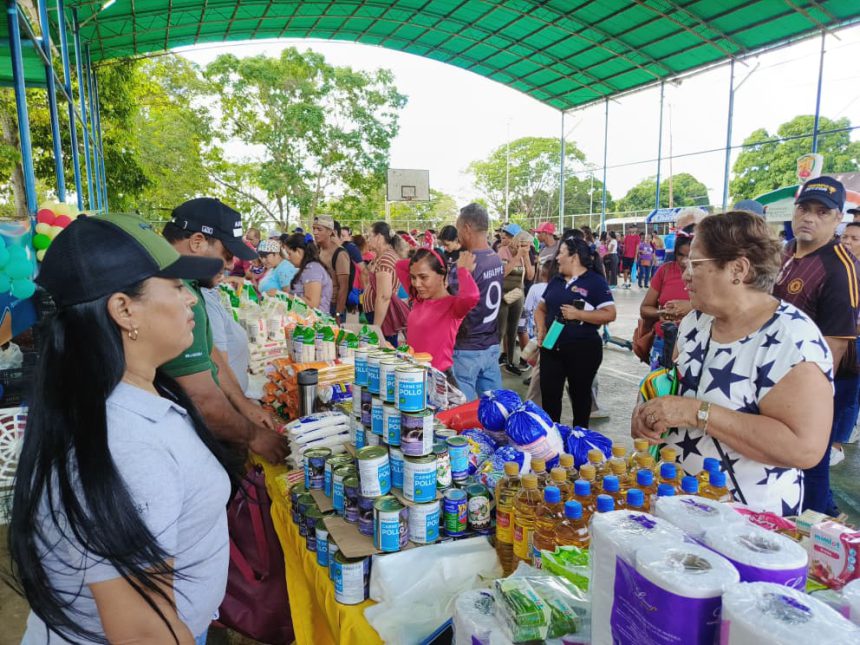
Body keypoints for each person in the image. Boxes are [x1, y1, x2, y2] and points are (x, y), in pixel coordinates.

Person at [12, 213, 238, 644]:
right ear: (123, 308)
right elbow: (143, 632)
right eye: (174, 287)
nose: (190, 299)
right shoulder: (127, 444)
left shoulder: (132, 395)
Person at [633, 211, 834, 516]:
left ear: (738, 269)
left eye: (696, 264)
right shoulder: (696, 322)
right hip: (676, 504)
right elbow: (677, 386)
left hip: (747, 523)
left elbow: (804, 448)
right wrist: (649, 413)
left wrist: (696, 413)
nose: (685, 274)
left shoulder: (792, 342)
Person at [162, 198, 287, 463]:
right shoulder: (173, 291)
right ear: (197, 242)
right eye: (227, 254)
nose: (231, 265)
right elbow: (201, 397)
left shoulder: (192, 284)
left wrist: (244, 406)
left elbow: (212, 355)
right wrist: (253, 436)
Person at [772, 176, 859, 515]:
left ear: (838, 219)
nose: (809, 217)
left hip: (804, 389)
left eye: (822, 212)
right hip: (769, 376)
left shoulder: (840, 268)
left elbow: (833, 348)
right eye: (804, 208)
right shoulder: (785, 252)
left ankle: (823, 531)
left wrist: (804, 401)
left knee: (811, 470)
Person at [534, 238, 616, 427]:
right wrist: (541, 330)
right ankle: (552, 441)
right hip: (551, 347)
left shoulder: (595, 282)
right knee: (550, 398)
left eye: (561, 253)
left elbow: (610, 314)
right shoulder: (556, 280)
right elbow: (540, 309)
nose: (557, 258)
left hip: (583, 349)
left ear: (574, 257)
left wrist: (578, 314)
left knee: (580, 397)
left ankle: (579, 439)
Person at [394, 248, 479, 375]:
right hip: (412, 375)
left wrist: (462, 270)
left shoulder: (453, 307)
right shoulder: (418, 298)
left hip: (437, 378)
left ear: (441, 275)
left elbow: (471, 296)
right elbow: (399, 266)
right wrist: (423, 259)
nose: (417, 284)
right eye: (413, 277)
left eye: (423, 277)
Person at [452, 203, 504, 400]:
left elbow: (455, 304)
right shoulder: (495, 258)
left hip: (467, 348)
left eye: (458, 229)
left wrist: (459, 272)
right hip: (490, 344)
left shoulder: (470, 262)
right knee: (495, 407)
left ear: (466, 228)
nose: (458, 235)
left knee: (463, 411)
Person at [638, 233, 693, 369]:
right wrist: (661, 313)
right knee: (660, 386)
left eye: (691, 256)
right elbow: (645, 308)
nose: (684, 261)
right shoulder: (666, 270)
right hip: (664, 340)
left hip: (693, 344)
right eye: (680, 255)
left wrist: (691, 308)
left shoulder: (711, 275)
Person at [832, 221, 860, 461]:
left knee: (847, 395)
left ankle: (837, 443)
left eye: (855, 238)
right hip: (831, 337)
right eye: (846, 237)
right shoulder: (837, 268)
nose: (848, 241)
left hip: (855, 342)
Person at [363, 222, 409, 346]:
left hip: (382, 316)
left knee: (384, 350)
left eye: (370, 236)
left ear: (378, 237)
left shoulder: (386, 258)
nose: (367, 240)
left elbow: (384, 296)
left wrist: (376, 329)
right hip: (380, 314)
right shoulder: (382, 257)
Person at [497, 224, 535, 375]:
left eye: (527, 244)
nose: (526, 246)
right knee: (501, 330)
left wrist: (525, 257)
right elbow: (503, 273)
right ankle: (496, 358)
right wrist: (518, 255)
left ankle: (510, 361)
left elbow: (531, 276)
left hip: (517, 293)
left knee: (513, 330)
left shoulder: (526, 253)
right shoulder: (503, 251)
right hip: (502, 294)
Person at [281, 232, 333, 312]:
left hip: (315, 322)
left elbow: (312, 304)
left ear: (298, 251)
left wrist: (283, 296)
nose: (288, 257)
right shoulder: (308, 268)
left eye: (289, 253)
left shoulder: (312, 269)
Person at [312, 215, 351, 319]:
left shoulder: (340, 253)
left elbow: (343, 287)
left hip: (333, 307)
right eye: (314, 229)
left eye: (319, 229)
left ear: (330, 232)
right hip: (319, 304)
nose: (315, 232)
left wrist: (338, 314)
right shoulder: (318, 249)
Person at [438, 224, 462, 294]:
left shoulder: (465, 253)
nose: (445, 248)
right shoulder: (446, 252)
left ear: (456, 240)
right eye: (443, 245)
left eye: (447, 244)